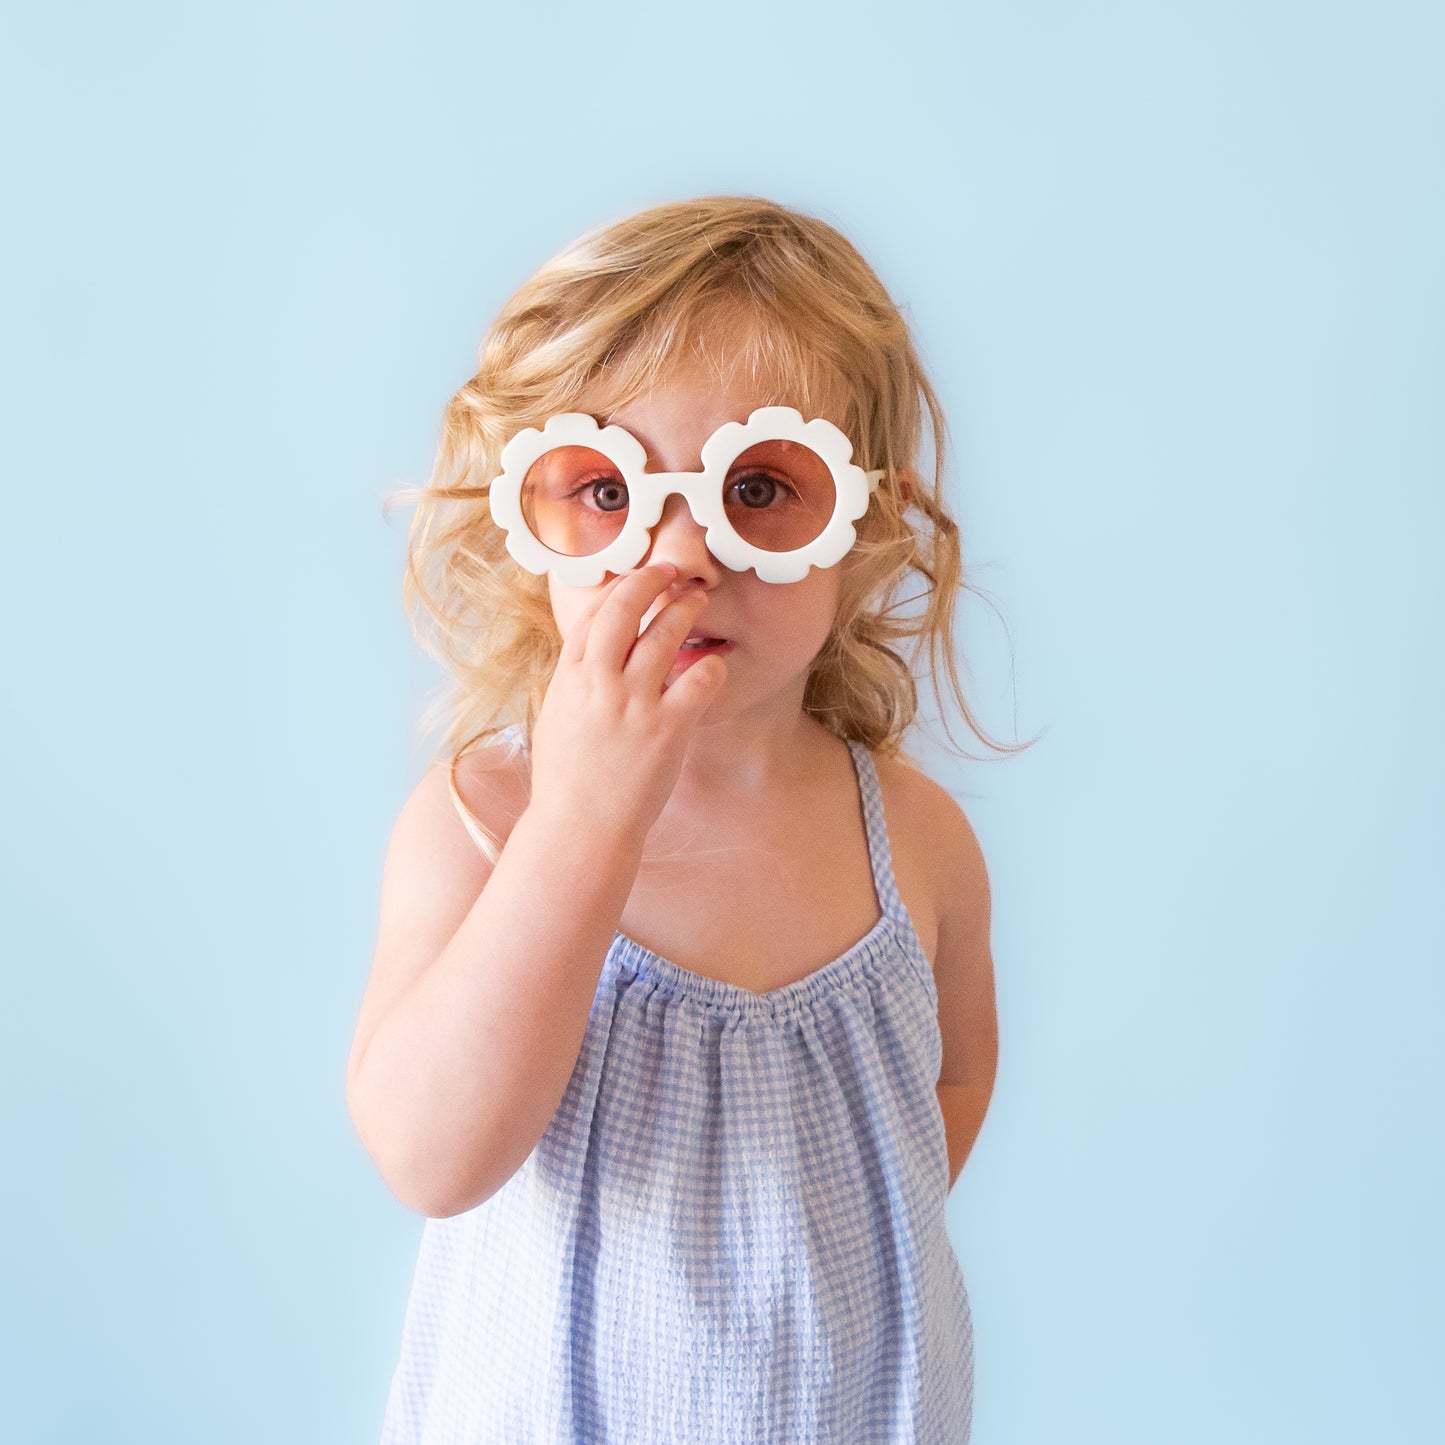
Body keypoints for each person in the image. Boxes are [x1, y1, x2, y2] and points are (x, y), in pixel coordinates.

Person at [346, 195, 1025, 1443]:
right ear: (526, 515)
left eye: (758, 485)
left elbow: (957, 1075)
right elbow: (428, 1156)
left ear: (861, 523)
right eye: (604, 489)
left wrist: (821, 1281)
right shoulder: (481, 828)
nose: (676, 549)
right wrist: (585, 818)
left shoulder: (913, 841)